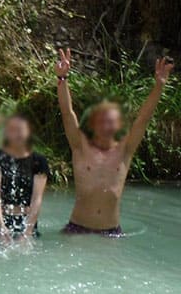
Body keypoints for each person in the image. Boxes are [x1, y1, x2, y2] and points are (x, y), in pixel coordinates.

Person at [56, 49, 174, 236]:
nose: (106, 126)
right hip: (77, 229)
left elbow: (143, 119)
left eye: (111, 121)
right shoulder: (80, 145)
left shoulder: (125, 150)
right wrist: (62, 79)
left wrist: (159, 86)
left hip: (111, 233)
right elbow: (67, 114)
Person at [0, 115, 49, 240]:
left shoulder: (39, 161)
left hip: (26, 220)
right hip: (1, 219)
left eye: (20, 130)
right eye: (12, 130)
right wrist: (2, 227)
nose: (17, 134)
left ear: (29, 132)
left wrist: (27, 231)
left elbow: (37, 198)